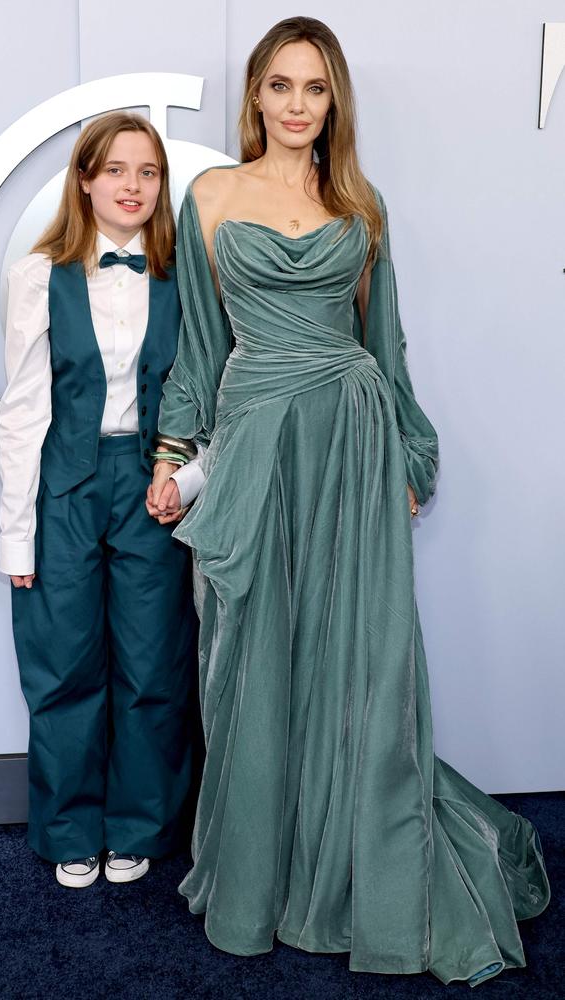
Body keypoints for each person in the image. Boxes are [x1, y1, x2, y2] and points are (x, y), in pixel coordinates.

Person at [146, 16, 550, 986]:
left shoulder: (359, 204)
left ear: (333, 102)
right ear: (254, 96)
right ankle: (257, 875)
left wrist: (409, 451)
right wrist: (172, 455)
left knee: (357, 661)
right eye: (279, 85)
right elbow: (199, 350)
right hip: (253, 444)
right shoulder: (208, 194)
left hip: (352, 443)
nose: (294, 104)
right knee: (247, 658)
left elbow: (385, 342)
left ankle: (353, 862)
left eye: (313, 88)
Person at [0, 111, 200, 888]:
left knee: (152, 665)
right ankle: (69, 828)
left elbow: (207, 394)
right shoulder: (38, 274)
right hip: (65, 484)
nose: (132, 186)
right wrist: (16, 536)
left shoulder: (187, 276)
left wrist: (186, 477)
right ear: (84, 179)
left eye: (147, 172)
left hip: (152, 486)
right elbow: (19, 410)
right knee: (63, 665)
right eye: (115, 169)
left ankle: (139, 824)